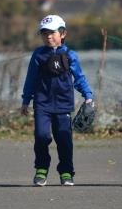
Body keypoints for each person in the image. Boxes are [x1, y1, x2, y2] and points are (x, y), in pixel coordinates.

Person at [21, 14, 93, 186]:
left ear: (62, 34)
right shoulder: (38, 55)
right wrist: (25, 100)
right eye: (44, 33)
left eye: (52, 32)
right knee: (41, 136)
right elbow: (30, 79)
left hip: (63, 105)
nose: (48, 36)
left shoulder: (70, 55)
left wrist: (88, 96)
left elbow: (80, 77)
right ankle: (41, 169)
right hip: (42, 104)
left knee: (64, 139)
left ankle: (66, 172)